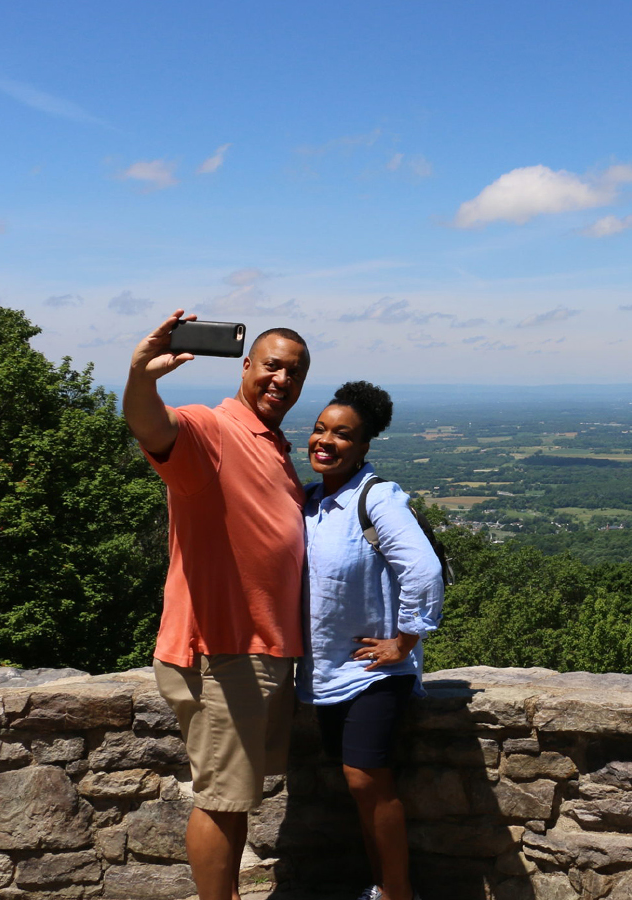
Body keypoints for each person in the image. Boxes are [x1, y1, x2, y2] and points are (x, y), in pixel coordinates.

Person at [123, 310, 311, 900]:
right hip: (222, 652)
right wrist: (140, 378)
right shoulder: (213, 428)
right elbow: (153, 428)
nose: (282, 379)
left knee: (236, 800)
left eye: (295, 372)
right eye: (272, 366)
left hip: (255, 649)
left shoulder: (271, 442)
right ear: (247, 365)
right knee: (222, 800)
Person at [302, 381, 443, 900]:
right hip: (323, 672)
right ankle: (380, 886)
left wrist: (403, 641)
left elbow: (423, 570)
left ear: (363, 447)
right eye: (320, 429)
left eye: (342, 435)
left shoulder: (376, 497)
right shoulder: (312, 501)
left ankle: (399, 893)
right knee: (358, 786)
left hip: (372, 673)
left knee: (367, 781)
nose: (325, 441)